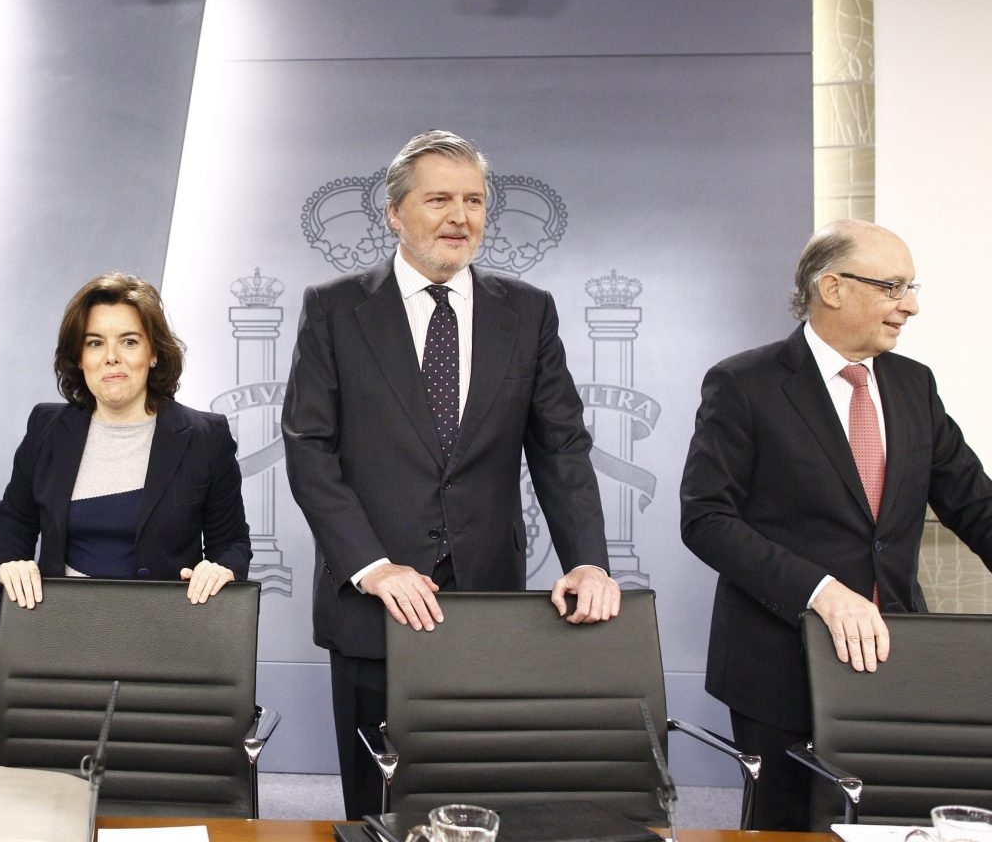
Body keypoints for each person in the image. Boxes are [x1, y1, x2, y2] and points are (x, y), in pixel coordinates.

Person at [281, 130, 621, 819]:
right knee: (377, 809)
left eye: (474, 201)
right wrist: (372, 566)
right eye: (439, 199)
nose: (459, 217)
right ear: (395, 214)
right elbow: (309, 447)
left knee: (474, 799)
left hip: (486, 602)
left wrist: (587, 560)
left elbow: (561, 448)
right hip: (372, 601)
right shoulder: (333, 310)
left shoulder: (528, 313)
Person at [681, 219, 992, 830]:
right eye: (893, 286)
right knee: (790, 829)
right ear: (832, 288)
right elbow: (706, 518)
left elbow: (974, 504)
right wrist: (822, 592)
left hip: (895, 660)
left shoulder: (914, 385)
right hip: (779, 662)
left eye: (911, 286)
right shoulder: (745, 383)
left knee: (891, 822)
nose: (911, 305)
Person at [0, 273, 251, 607]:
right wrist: (13, 563)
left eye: (129, 341)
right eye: (95, 343)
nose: (111, 357)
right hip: (59, 629)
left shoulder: (206, 437)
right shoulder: (47, 426)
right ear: (80, 357)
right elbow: (15, 517)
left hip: (164, 634)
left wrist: (221, 570)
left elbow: (231, 542)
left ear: (154, 352)